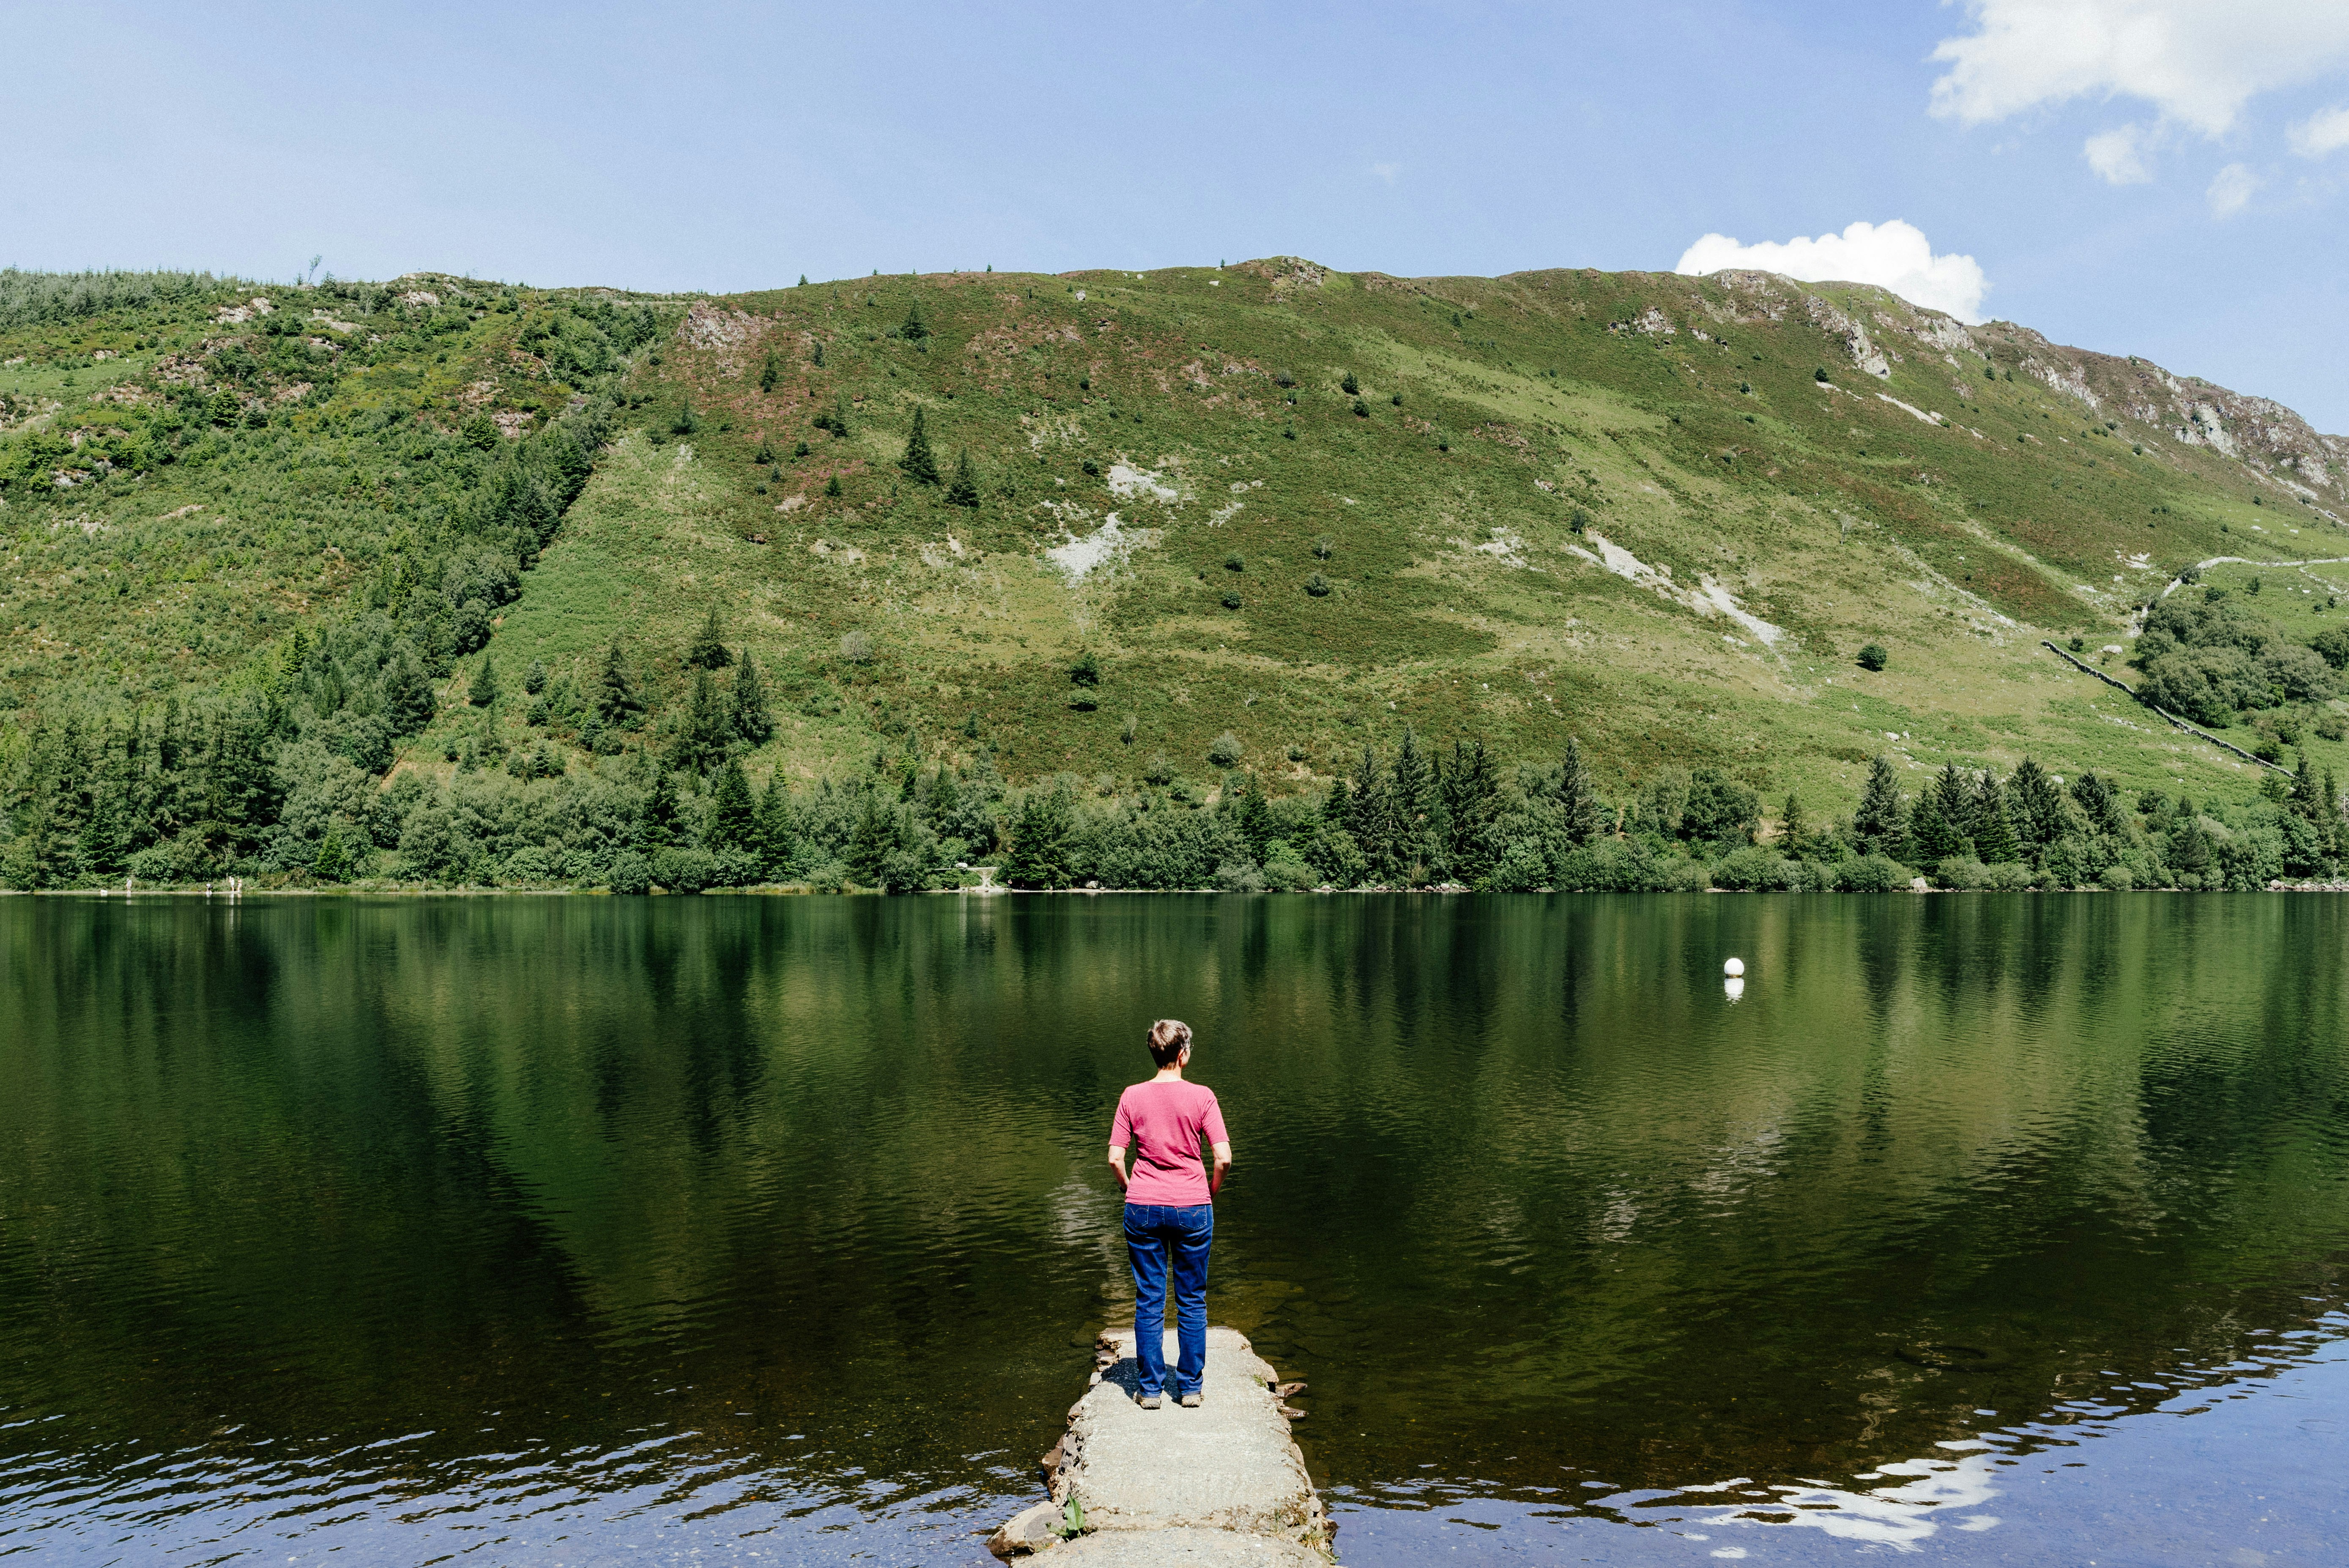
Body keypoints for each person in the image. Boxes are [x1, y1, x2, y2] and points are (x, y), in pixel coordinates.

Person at [1107, 1018, 1231, 1410]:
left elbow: (1115, 1158)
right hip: (1193, 1205)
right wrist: (1209, 1191)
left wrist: (1130, 1188)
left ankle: (1150, 1390)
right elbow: (1224, 1158)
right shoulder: (1203, 1097)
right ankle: (1190, 1388)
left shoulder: (1132, 1095)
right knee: (1192, 1299)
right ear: (1183, 1054)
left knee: (1150, 1297)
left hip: (1143, 1206)